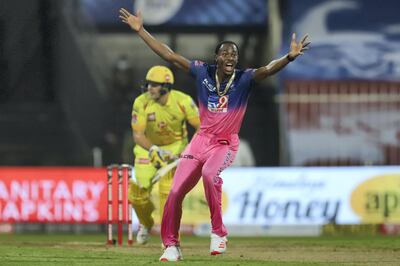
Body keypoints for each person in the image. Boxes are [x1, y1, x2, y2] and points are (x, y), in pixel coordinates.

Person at [119, 8, 310, 261]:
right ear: (217, 57)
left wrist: (288, 57)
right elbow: (170, 54)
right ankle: (171, 246)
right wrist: (141, 31)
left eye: (235, 54)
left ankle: (218, 232)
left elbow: (267, 69)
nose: (231, 56)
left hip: (225, 143)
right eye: (226, 53)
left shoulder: (244, 79)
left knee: (210, 175)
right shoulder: (201, 72)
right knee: (175, 192)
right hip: (200, 141)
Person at [128, 65, 200, 245]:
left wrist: (188, 151)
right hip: (147, 148)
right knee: (137, 194)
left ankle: (169, 238)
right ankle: (145, 222)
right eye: (148, 84)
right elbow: (138, 135)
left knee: (168, 193)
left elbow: (202, 129)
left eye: (154, 85)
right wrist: (153, 149)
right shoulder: (141, 102)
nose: (149, 88)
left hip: (174, 149)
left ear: (166, 86)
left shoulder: (183, 102)